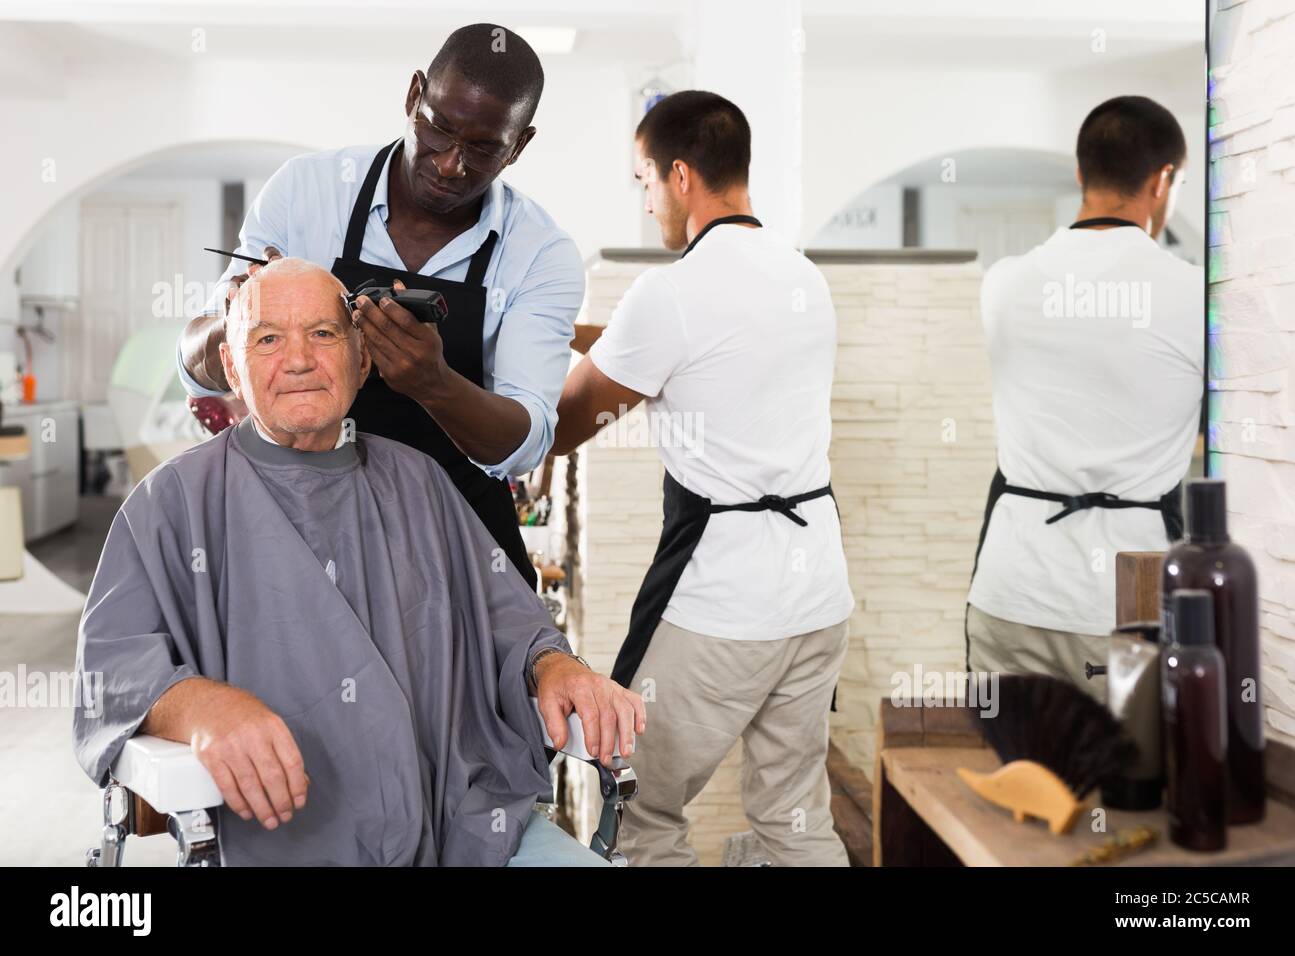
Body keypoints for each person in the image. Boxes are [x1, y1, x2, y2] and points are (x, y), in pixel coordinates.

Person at [75, 259, 643, 866]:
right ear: (233, 369)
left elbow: (504, 614)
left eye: (323, 334)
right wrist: (198, 705)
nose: (298, 360)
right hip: (288, 842)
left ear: (362, 360)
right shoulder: (171, 503)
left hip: (464, 824)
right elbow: (109, 669)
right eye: (267, 338)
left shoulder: (418, 480)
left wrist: (553, 664)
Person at [551, 91, 854, 866]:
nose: (647, 203)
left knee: (641, 807)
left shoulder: (672, 294)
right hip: (817, 590)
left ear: (679, 175)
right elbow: (700, 347)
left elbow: (563, 426)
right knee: (795, 817)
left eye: (644, 182)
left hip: (724, 599)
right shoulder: (802, 279)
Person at [177, 23, 585, 589]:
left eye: (484, 149)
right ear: (414, 95)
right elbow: (195, 370)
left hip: (456, 540)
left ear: (519, 146)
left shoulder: (539, 253)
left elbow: (523, 445)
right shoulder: (306, 192)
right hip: (302, 525)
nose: (450, 164)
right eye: (439, 130)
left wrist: (434, 384)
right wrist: (241, 318)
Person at [966, 95, 1204, 698]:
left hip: (1013, 583)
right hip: (1133, 592)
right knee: (1130, 789)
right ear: (1163, 180)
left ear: (1080, 174)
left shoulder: (1003, 284)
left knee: (1020, 788)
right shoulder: (1194, 297)